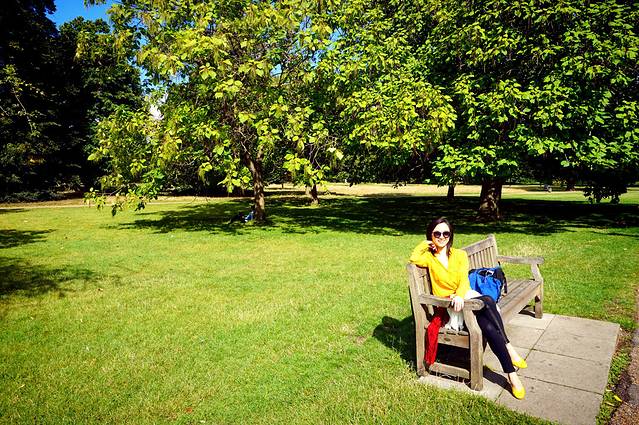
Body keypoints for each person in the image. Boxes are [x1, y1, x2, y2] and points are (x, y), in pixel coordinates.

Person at [409, 217, 527, 399]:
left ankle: (511, 374)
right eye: (437, 233)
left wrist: (459, 295)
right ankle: (509, 351)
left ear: (451, 235)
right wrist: (424, 244)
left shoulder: (459, 255)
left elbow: (464, 280)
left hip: (464, 297)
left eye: (446, 233)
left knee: (488, 325)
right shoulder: (429, 258)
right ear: (431, 235)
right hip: (450, 306)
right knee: (487, 303)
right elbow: (413, 258)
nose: (441, 237)